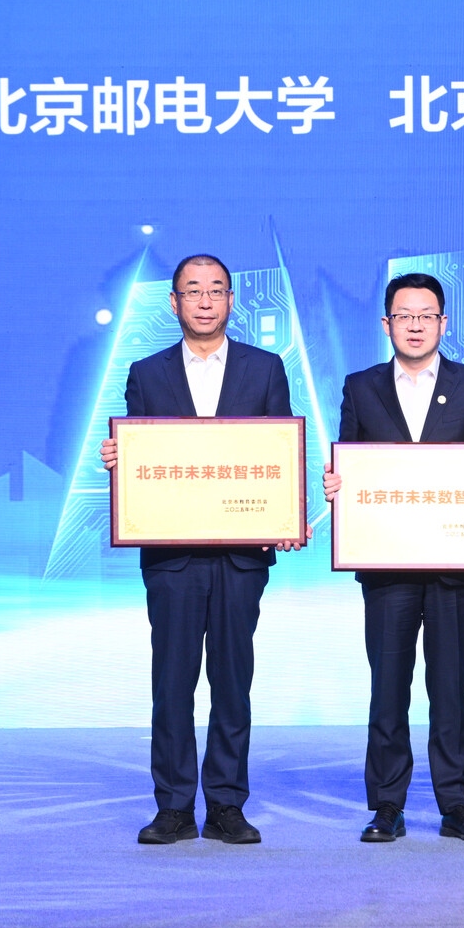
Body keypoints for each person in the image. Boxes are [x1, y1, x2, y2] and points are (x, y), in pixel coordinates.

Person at [99, 255, 306, 847]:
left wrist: (285, 513)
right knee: (172, 683)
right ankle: (172, 807)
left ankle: (226, 805)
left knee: (232, 683)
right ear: (174, 303)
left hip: (242, 555)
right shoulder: (147, 373)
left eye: (216, 290)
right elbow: (141, 456)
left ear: (232, 300)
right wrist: (119, 461)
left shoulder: (265, 368)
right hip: (173, 558)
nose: (206, 300)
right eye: (193, 291)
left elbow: (280, 450)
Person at [322, 273, 464, 844]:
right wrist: (337, 484)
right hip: (386, 566)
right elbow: (351, 464)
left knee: (451, 689)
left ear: (443, 323)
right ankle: (387, 805)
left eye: (426, 315)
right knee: (388, 688)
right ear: (386, 324)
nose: (415, 325)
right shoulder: (361, 387)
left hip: (456, 568)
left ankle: (457, 805)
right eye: (403, 315)